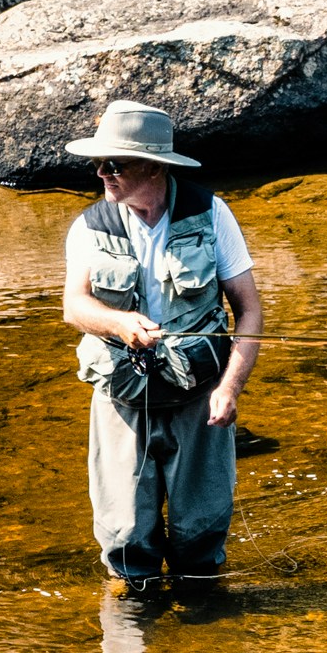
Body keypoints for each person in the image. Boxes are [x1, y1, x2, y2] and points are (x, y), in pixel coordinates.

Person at [57, 100, 262, 594]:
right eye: (98, 163)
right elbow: (74, 308)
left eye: (115, 163)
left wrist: (230, 387)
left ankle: (205, 631)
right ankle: (133, 635)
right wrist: (118, 323)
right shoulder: (90, 225)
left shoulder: (211, 214)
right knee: (126, 535)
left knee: (200, 534)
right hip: (122, 396)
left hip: (200, 398)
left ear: (154, 165)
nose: (102, 173)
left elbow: (250, 311)